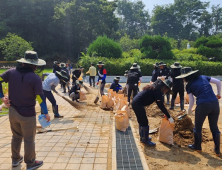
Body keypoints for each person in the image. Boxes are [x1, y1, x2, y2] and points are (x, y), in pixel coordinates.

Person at [0, 51, 49, 170]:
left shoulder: (11, 72)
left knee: (16, 136)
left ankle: (15, 159)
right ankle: (31, 163)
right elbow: (40, 97)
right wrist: (46, 112)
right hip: (27, 114)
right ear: (34, 65)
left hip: (13, 112)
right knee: (29, 139)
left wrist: (2, 97)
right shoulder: (35, 78)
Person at [176, 68, 221, 156]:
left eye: (183, 78)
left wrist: (189, 110)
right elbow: (218, 82)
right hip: (215, 104)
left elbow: (191, 100)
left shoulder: (188, 85)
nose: (183, 79)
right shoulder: (203, 77)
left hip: (203, 105)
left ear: (186, 77)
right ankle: (217, 149)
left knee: (197, 127)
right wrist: (218, 94)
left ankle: (197, 146)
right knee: (214, 127)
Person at [132, 79, 174, 146]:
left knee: (142, 121)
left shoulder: (155, 88)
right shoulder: (157, 91)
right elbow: (160, 105)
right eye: (167, 90)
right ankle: (145, 140)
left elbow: (159, 104)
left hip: (136, 102)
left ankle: (143, 138)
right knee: (144, 122)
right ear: (164, 87)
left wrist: (166, 114)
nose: (166, 92)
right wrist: (169, 116)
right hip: (137, 103)